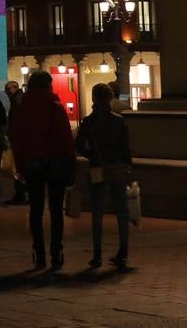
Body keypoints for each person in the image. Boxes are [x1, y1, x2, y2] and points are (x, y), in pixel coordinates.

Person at [11, 70, 76, 271]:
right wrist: (70, 162)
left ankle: (38, 253)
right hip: (55, 163)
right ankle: (56, 252)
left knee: (36, 210)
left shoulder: (21, 108)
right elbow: (65, 138)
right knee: (56, 210)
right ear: (49, 85)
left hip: (32, 164)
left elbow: (17, 139)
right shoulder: (55, 106)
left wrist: (20, 166)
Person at [76, 82, 132, 269]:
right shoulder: (118, 121)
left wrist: (91, 155)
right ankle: (123, 251)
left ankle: (97, 253)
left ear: (93, 98)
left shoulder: (88, 122)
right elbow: (125, 149)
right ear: (110, 99)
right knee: (121, 211)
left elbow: (79, 146)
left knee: (97, 212)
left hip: (97, 168)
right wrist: (127, 166)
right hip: (116, 167)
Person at [4, 80, 28, 205]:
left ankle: (21, 194)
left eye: (9, 89)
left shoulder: (17, 100)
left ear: (16, 88)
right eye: (6, 89)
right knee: (19, 167)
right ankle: (21, 194)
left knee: (19, 167)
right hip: (19, 137)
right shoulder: (18, 98)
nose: (7, 91)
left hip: (19, 139)